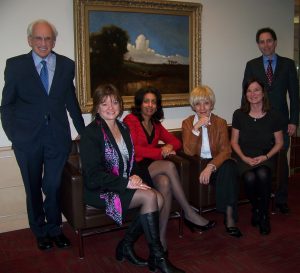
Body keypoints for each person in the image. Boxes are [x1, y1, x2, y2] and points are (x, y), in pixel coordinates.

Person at [79, 84, 184, 273]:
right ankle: (158, 257)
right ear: (96, 107)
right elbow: (93, 176)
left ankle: (126, 245)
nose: (110, 107)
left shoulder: (123, 127)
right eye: (104, 104)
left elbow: (131, 161)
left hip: (122, 183)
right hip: (100, 190)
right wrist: (127, 182)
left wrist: (135, 176)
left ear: (120, 104)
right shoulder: (91, 133)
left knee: (158, 198)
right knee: (151, 197)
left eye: (114, 102)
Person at [0, 19, 85, 250]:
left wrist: (84, 133)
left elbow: (71, 101)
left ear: (54, 41)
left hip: (57, 138)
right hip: (26, 140)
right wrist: (13, 135)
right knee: (33, 186)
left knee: (53, 185)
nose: (43, 43)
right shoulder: (16, 66)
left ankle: (55, 229)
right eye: (38, 38)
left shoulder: (67, 65)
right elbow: (6, 105)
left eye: (48, 38)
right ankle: (40, 231)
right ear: (30, 40)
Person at [123, 86, 216, 252]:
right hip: (134, 168)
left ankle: (160, 237)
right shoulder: (130, 120)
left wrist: (169, 145)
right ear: (139, 103)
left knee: (165, 182)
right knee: (169, 165)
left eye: (154, 102)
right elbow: (134, 149)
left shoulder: (156, 124)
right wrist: (161, 151)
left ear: (157, 106)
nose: (150, 105)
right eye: (146, 101)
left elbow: (177, 142)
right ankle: (188, 211)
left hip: (151, 166)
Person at [242, 27, 299, 214]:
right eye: (261, 42)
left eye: (269, 41)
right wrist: (245, 120)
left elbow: (295, 95)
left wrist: (293, 121)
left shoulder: (288, 64)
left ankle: (281, 199)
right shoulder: (252, 65)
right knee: (260, 161)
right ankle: (261, 199)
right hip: (259, 121)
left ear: (275, 42)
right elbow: (246, 93)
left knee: (281, 161)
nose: (265, 45)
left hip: (282, 121)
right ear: (258, 44)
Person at [182, 85, 242, 238]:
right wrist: (196, 128)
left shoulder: (220, 122)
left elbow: (226, 151)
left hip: (217, 164)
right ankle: (228, 214)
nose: (202, 108)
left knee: (229, 166)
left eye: (206, 103)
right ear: (193, 106)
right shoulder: (188, 123)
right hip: (198, 166)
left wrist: (211, 166)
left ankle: (229, 217)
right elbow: (188, 151)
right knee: (229, 173)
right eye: (198, 103)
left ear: (211, 104)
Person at [231, 79, 283, 235]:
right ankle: (257, 208)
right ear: (245, 94)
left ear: (263, 92)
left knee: (263, 173)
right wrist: (244, 158)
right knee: (249, 178)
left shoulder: (274, 114)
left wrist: (265, 157)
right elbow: (233, 142)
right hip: (244, 155)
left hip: (265, 155)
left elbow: (279, 143)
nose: (252, 94)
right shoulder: (239, 114)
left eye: (256, 90)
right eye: (249, 91)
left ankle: (264, 216)